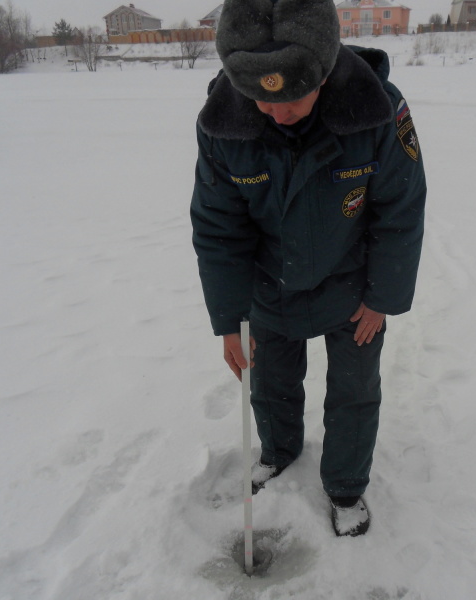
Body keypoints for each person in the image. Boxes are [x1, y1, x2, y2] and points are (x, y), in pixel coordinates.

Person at [190, 0, 426, 537]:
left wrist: (383, 296)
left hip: (353, 286)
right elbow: (219, 227)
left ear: (322, 70)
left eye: (291, 97)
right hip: (269, 283)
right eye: (260, 99)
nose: (274, 112)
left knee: (354, 390)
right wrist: (229, 319)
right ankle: (278, 450)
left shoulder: (378, 111)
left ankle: (345, 487)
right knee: (269, 382)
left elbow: (401, 209)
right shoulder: (223, 124)